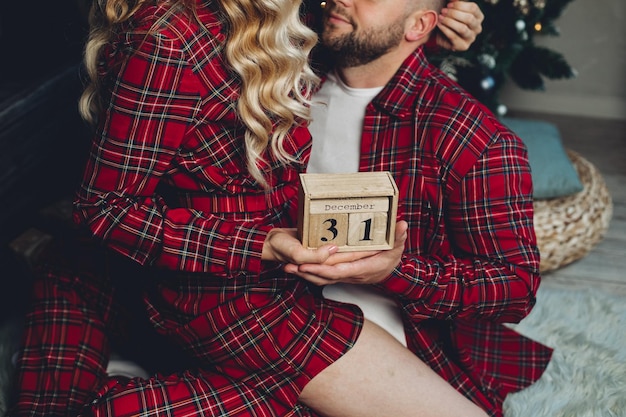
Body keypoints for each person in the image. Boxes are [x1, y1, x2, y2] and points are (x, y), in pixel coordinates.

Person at [9, 1, 490, 417]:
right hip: (232, 305)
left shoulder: (279, 18)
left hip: (283, 289)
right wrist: (261, 243)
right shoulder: (169, 38)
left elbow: (362, 50)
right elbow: (104, 209)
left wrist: (422, 34)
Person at [287, 0, 553, 416]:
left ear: (420, 25)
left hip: (389, 328)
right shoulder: (285, 83)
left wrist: (397, 271)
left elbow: (515, 288)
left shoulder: (473, 138)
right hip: (269, 300)